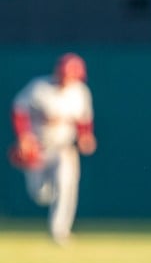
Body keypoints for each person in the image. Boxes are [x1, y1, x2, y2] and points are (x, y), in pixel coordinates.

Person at [9, 53, 97, 245]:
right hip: (38, 148)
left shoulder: (80, 92)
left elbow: (84, 119)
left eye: (75, 75)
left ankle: (60, 231)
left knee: (67, 184)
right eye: (68, 74)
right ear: (60, 72)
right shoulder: (40, 88)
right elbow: (19, 109)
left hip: (64, 148)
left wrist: (85, 136)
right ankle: (52, 210)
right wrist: (23, 136)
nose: (70, 79)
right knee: (40, 195)